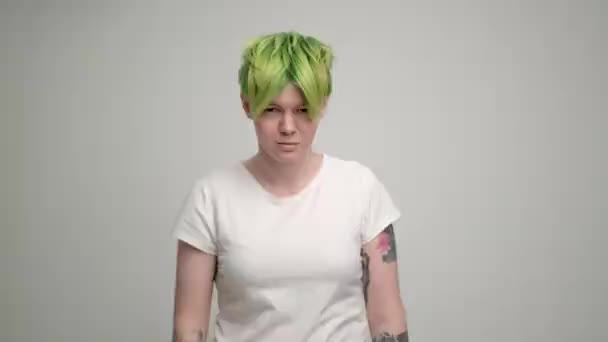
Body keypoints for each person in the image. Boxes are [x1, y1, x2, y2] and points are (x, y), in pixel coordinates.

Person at [171, 31, 409, 342]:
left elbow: (387, 317)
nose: (287, 127)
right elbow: (190, 327)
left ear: (322, 105)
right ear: (247, 105)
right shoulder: (210, 197)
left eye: (302, 110)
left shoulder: (361, 189)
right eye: (272, 109)